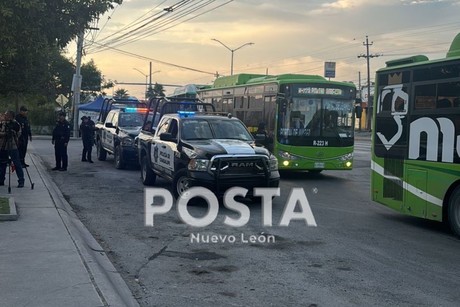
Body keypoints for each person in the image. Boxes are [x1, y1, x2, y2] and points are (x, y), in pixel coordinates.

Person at [0, 111, 25, 187]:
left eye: (6, 115)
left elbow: (18, 133)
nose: (4, 116)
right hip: (3, 146)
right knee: (2, 163)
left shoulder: (16, 124)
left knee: (17, 163)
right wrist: (4, 134)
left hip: (13, 146)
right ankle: (1, 180)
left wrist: (12, 132)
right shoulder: (3, 123)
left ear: (10, 116)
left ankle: (21, 180)